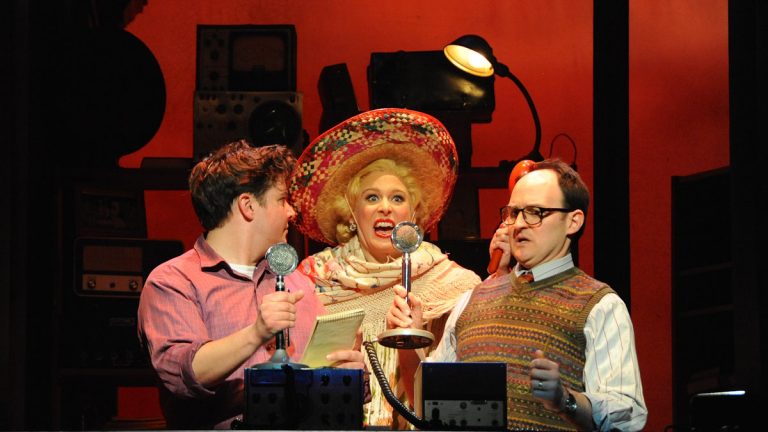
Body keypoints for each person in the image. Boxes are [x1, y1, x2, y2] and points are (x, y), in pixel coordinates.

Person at [387, 159, 647, 431]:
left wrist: (564, 400)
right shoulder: (473, 299)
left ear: (573, 221)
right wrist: (410, 340)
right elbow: (426, 405)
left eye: (535, 212)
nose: (519, 224)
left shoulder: (599, 305)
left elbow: (627, 418)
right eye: (513, 213)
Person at [137, 140, 364, 429]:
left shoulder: (297, 282)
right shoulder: (174, 281)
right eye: (282, 200)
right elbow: (184, 373)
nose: (292, 212)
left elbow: (326, 379)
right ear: (247, 206)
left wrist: (349, 375)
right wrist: (256, 333)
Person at [288, 108, 482, 427]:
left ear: (413, 214)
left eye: (397, 198)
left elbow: (456, 400)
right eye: (372, 197)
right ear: (351, 213)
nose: (385, 208)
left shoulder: (452, 284)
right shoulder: (311, 280)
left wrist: (411, 341)